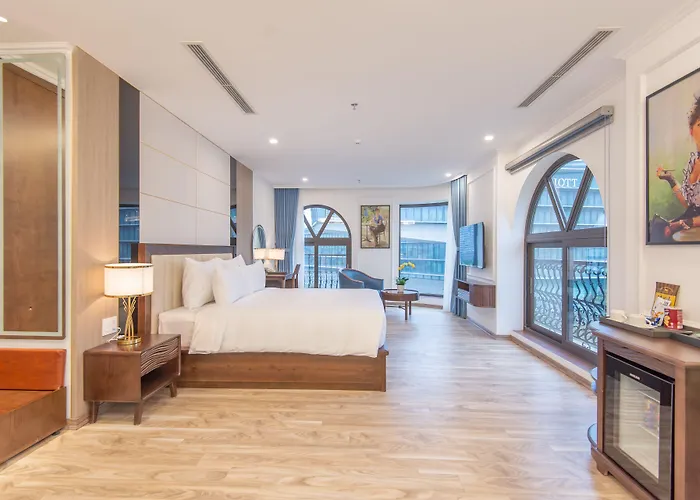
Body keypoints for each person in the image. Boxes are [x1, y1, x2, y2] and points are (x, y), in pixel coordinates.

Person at [653, 95, 700, 241]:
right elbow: (688, 203)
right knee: (654, 229)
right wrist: (670, 179)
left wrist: (682, 223)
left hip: (694, 224)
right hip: (689, 219)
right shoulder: (693, 161)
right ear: (691, 131)